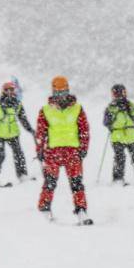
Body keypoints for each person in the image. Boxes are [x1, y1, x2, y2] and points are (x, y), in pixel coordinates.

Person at [35, 76, 92, 224]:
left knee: (77, 183)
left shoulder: (77, 108)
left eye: (64, 92)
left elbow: (84, 129)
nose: (61, 96)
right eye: (58, 93)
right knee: (50, 182)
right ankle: (44, 208)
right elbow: (41, 132)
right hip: (53, 152)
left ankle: (81, 210)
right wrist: (40, 150)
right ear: (53, 92)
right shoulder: (46, 110)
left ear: (68, 91)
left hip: (72, 152)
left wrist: (83, 148)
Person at [0, 81, 35, 186]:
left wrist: (29, 129)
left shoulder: (17, 104)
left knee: (19, 153)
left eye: (11, 90)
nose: (9, 92)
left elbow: (23, 119)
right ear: (3, 91)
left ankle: (22, 175)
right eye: (7, 90)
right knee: (1, 154)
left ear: (14, 91)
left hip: (13, 133)